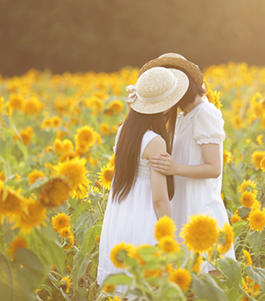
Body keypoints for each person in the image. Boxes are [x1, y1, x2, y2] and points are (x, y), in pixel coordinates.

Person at [142, 54, 236, 272]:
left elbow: (214, 168)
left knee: (205, 279)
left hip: (199, 207)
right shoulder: (184, 115)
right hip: (182, 204)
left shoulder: (205, 112)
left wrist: (174, 168)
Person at [97, 67, 189, 286]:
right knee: (148, 286)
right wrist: (169, 237)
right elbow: (159, 199)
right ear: (165, 107)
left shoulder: (123, 132)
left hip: (122, 213)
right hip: (145, 218)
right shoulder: (155, 141)